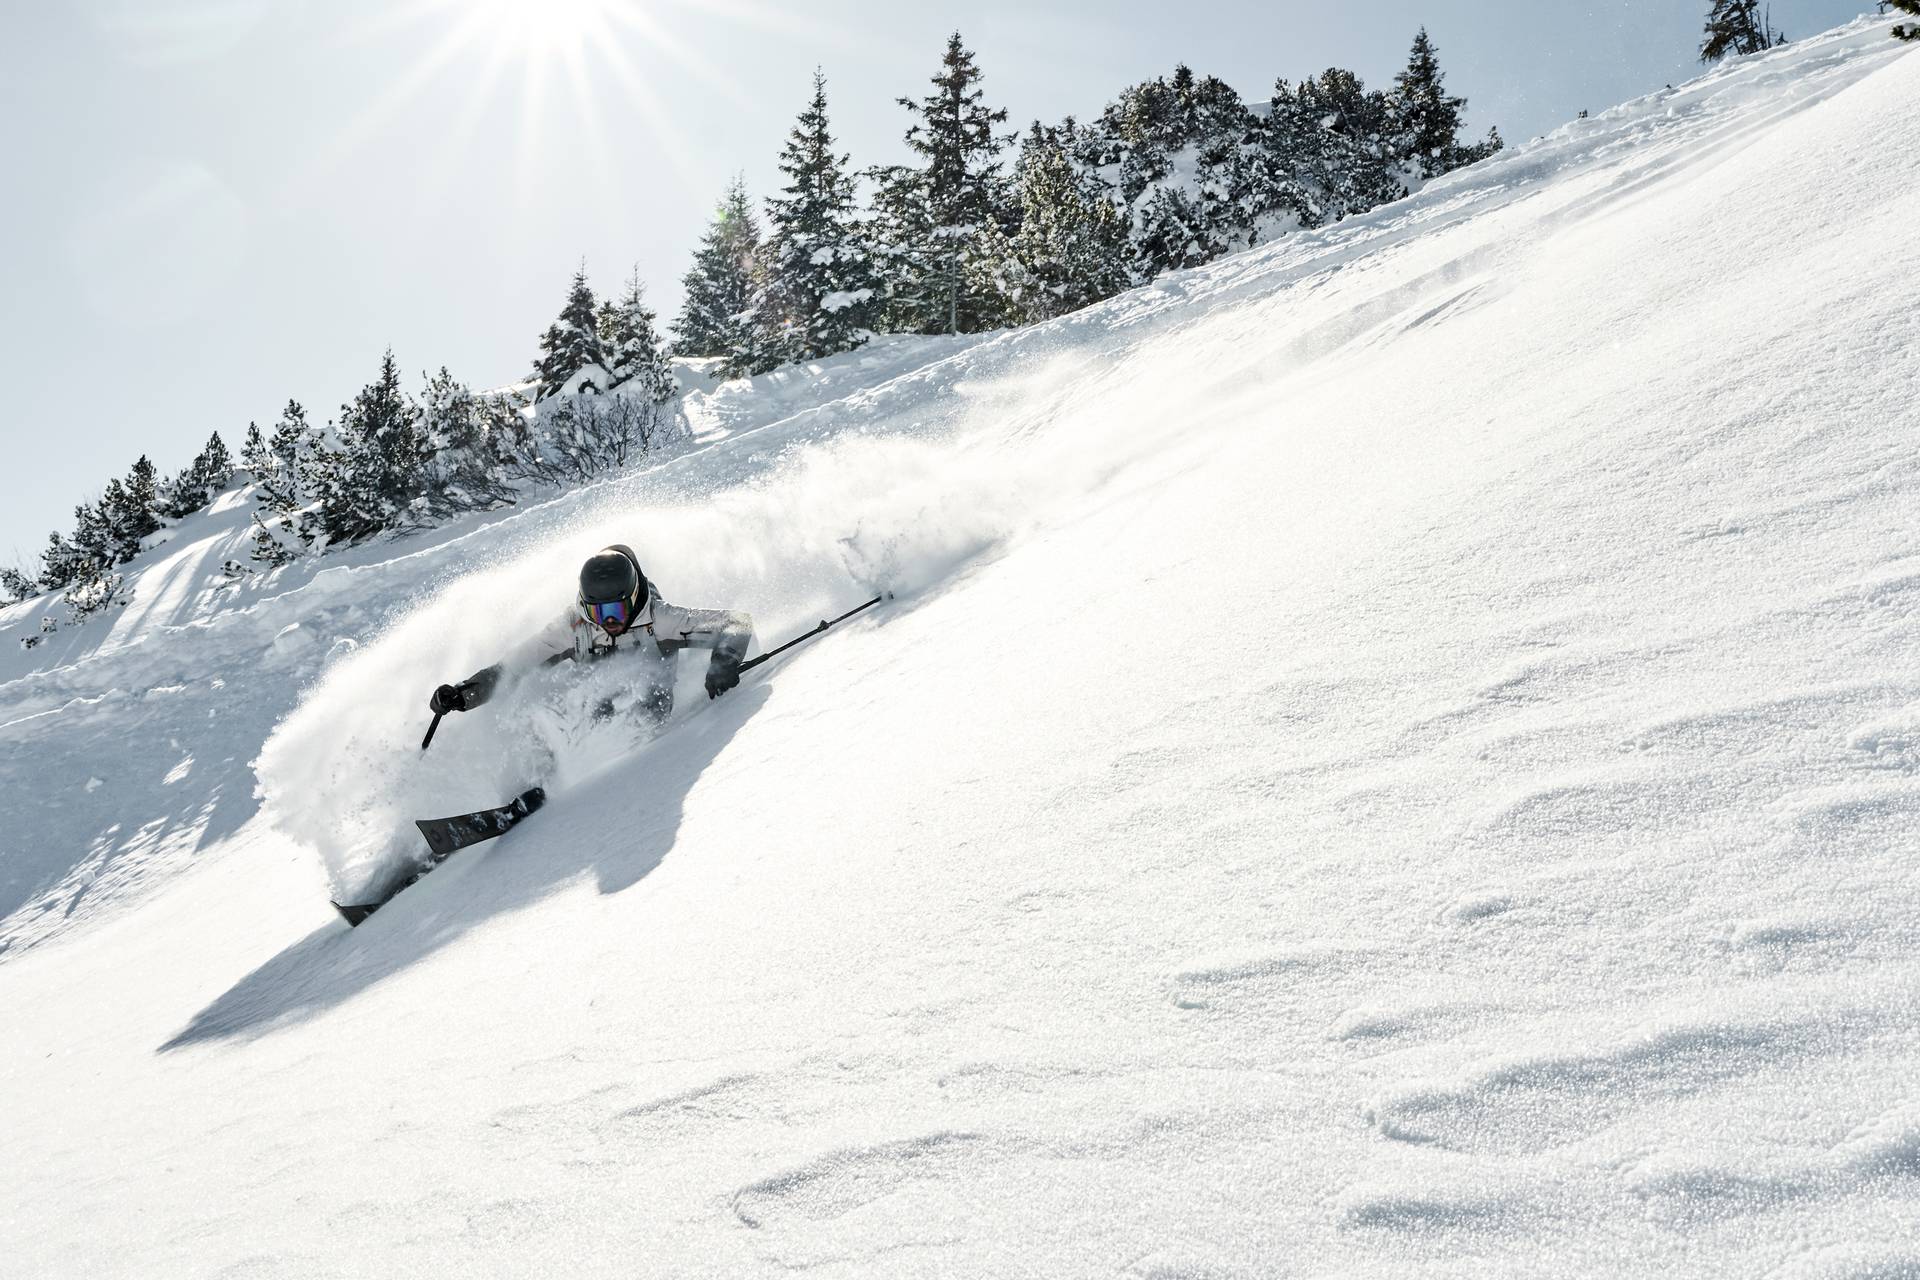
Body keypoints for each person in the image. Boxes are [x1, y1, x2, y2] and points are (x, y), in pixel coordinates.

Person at [429, 544, 754, 724]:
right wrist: (463, 694)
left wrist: (724, 661)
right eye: (599, 612)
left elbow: (735, 623)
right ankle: (546, 784)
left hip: (651, 701)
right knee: (559, 710)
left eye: (616, 611)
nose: (608, 621)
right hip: (595, 696)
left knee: (639, 708)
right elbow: (513, 667)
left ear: (632, 597)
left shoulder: (660, 618)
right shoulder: (572, 627)